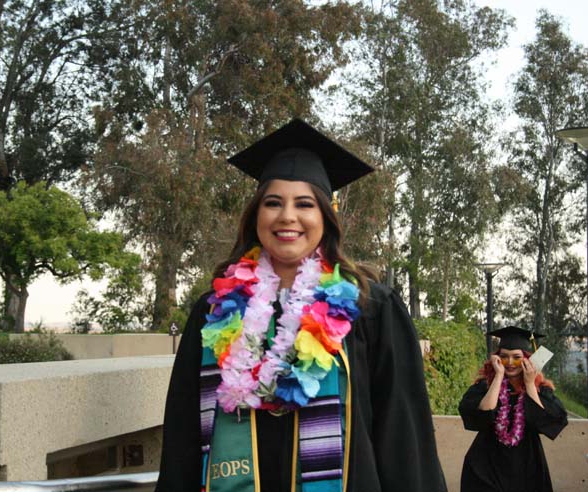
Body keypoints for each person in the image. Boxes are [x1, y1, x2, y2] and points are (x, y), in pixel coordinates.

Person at [156, 118, 446, 492]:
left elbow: (403, 434)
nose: (287, 217)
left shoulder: (370, 308)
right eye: (273, 203)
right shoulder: (215, 311)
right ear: (256, 215)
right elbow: (183, 435)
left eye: (304, 204)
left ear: (325, 216)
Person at [459, 326, 568, 492]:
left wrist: (530, 383)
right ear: (497, 359)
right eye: (504, 357)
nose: (510, 363)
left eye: (516, 357)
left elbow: (547, 420)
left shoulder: (541, 389)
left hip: (527, 466)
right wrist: (498, 377)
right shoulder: (484, 386)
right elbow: (480, 415)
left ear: (527, 359)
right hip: (486, 465)